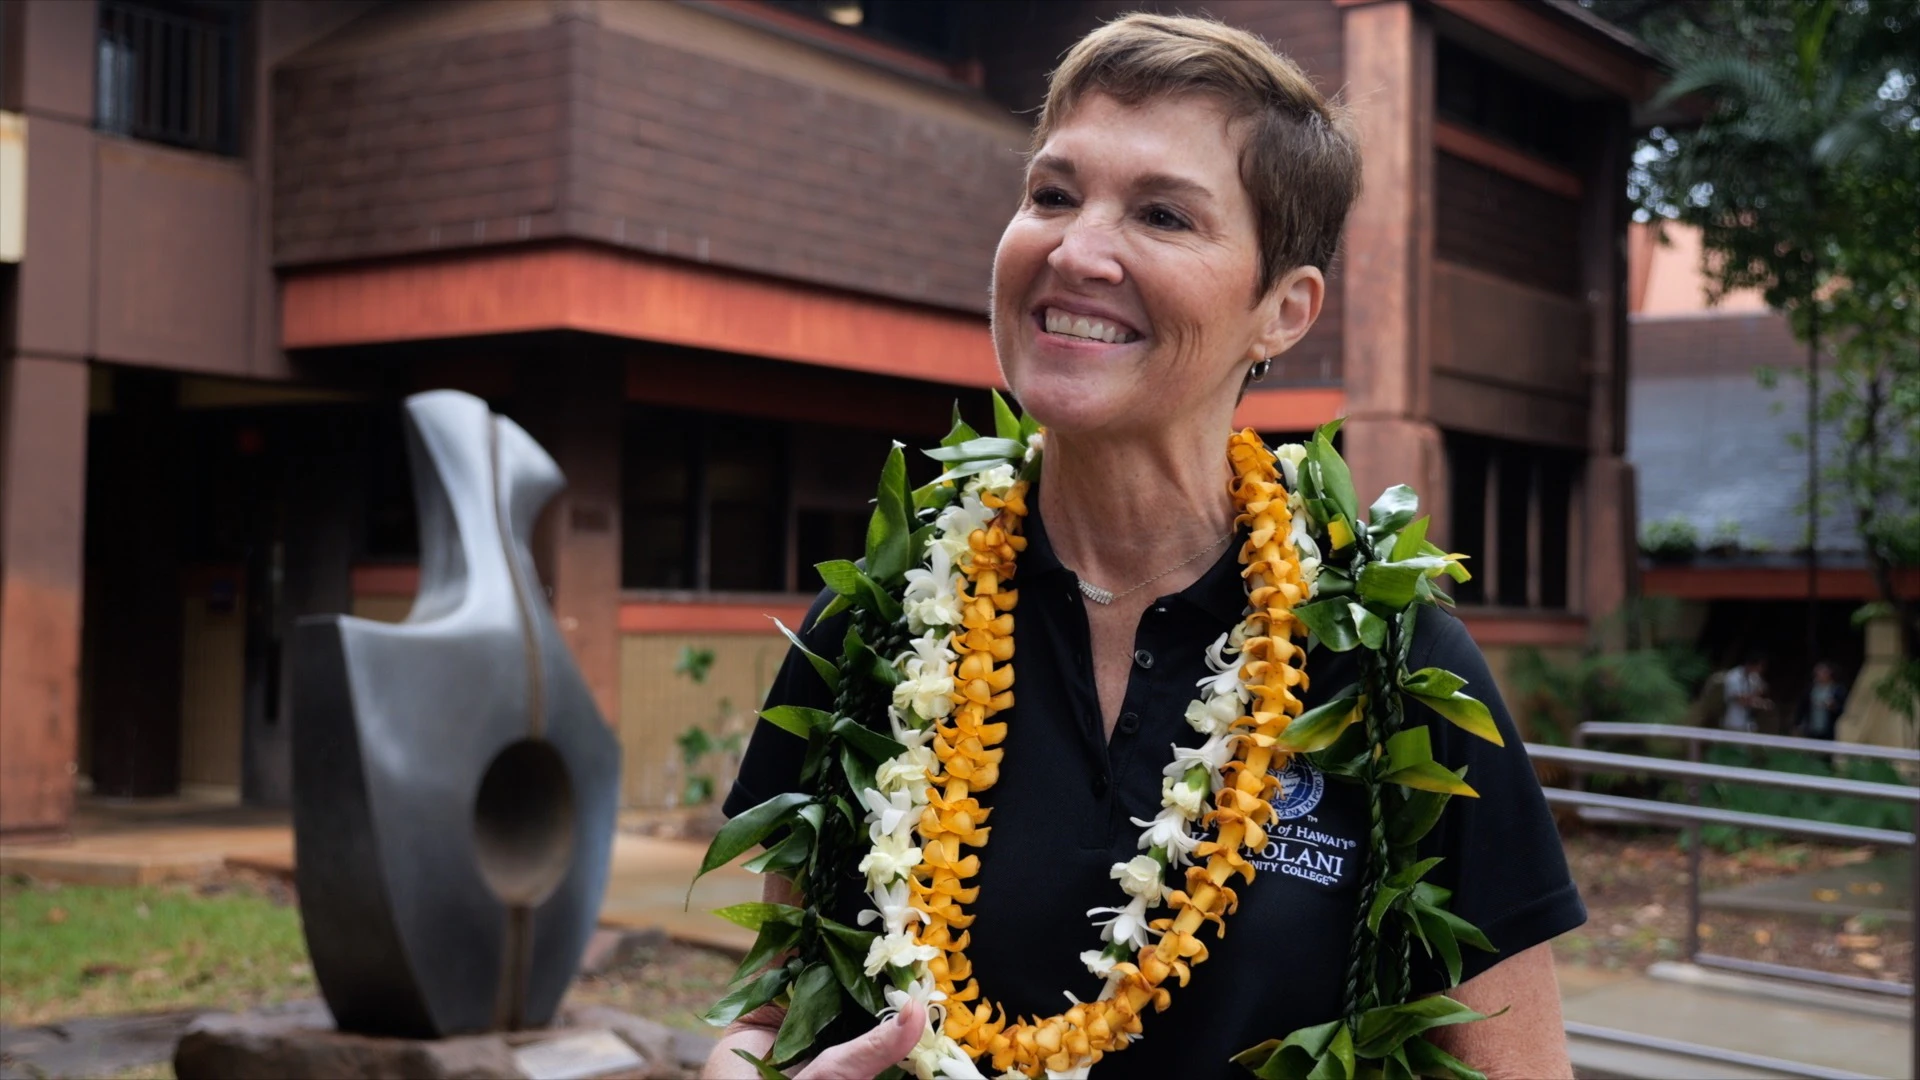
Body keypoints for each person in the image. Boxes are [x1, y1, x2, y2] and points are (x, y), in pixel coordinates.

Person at [705, 14, 1585, 1079]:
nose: (1075, 251)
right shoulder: (871, 632)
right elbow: (770, 1021)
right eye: (1052, 195)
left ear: (1283, 311)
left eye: (1163, 214)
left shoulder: (1392, 668)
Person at [1721, 658, 1768, 733]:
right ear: (1752, 666)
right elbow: (1740, 700)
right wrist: (1759, 703)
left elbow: (1760, 690)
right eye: (1759, 667)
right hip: (1733, 721)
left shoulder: (1752, 677)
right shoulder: (1734, 677)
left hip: (1747, 722)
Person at [1804, 661, 1844, 740]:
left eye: (1823, 673)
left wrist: (1834, 706)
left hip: (1829, 730)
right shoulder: (1811, 689)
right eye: (1818, 673)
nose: (1820, 675)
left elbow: (1843, 709)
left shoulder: (1837, 690)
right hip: (1812, 728)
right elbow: (1803, 706)